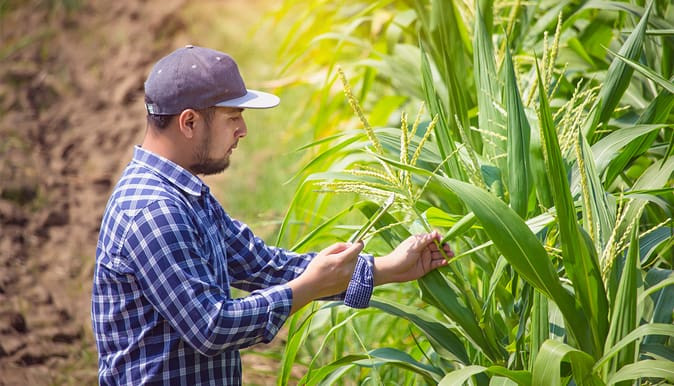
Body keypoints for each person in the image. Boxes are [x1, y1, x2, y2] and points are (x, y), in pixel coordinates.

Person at [91, 45, 453, 385]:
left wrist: (390, 267)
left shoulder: (186, 195)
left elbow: (265, 267)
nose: (243, 131)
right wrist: (308, 288)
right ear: (188, 123)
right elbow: (211, 326)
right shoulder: (155, 210)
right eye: (233, 117)